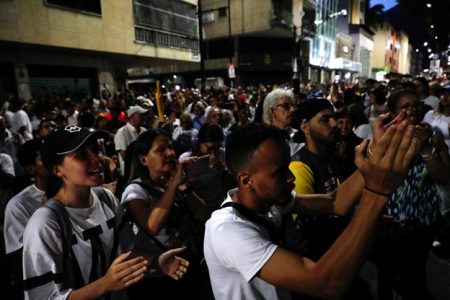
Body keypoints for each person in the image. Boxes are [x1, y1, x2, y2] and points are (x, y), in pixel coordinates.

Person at [204, 117, 419, 300]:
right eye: (279, 173)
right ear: (246, 179)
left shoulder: (268, 202)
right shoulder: (228, 231)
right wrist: (377, 192)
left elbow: (336, 202)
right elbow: (325, 283)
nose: (291, 177)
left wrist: (376, 153)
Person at [22, 125, 188, 299]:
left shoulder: (105, 198)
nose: (96, 158)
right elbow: (42, 296)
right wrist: (105, 284)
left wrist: (156, 261)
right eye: (82, 155)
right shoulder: (46, 222)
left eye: (95, 150)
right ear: (57, 170)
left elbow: (125, 249)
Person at [370, 88, 450, 300]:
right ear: (393, 111)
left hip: (423, 220)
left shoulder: (432, 133)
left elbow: (442, 176)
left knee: (415, 276)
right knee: (387, 275)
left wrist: (426, 145)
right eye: (404, 106)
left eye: (415, 105)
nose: (411, 110)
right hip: (390, 220)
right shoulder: (383, 136)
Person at [120, 128, 209, 299]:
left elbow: (202, 213)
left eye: (170, 147)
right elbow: (151, 227)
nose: (170, 153)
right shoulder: (135, 191)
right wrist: (173, 185)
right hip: (159, 278)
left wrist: (184, 188)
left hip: (188, 266)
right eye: (161, 150)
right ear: (143, 160)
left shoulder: (168, 184)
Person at [4, 139, 48, 298]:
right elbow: (22, 259)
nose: (54, 158)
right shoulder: (20, 205)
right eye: (45, 157)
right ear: (31, 169)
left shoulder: (78, 190)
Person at [262, 88, 302, 157]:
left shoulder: (301, 137)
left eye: (293, 106)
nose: (292, 110)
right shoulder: (262, 140)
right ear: (272, 111)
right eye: (286, 106)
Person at [114, 105, 148, 176]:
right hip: (130, 174)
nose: (144, 117)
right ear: (132, 116)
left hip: (144, 171)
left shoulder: (144, 131)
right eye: (141, 115)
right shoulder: (121, 133)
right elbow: (125, 156)